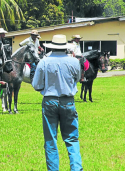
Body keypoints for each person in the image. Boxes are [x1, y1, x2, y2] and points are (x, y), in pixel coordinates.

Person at [32, 34, 83, 171]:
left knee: (50, 140)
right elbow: (76, 79)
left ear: (52, 47)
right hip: (68, 101)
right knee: (72, 139)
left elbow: (36, 85)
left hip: (49, 101)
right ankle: (76, 168)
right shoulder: (74, 62)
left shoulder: (44, 62)